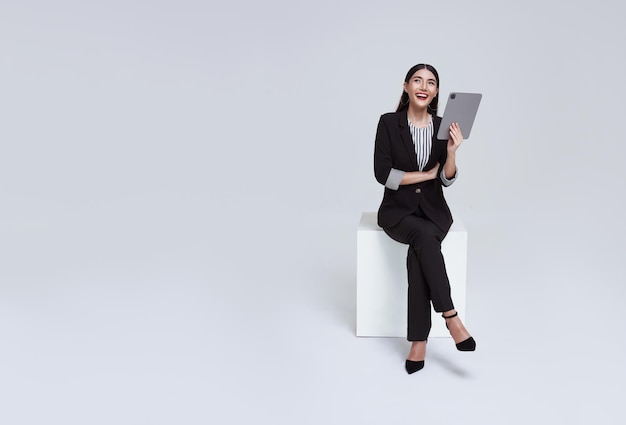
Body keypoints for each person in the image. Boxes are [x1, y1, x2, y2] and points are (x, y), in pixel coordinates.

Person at [373, 63, 476, 374]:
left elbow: (445, 180)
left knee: (423, 245)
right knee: (422, 237)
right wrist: (423, 174)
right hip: (397, 213)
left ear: (435, 92)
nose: (423, 86)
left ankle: (419, 342)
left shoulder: (444, 126)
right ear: (406, 87)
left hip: (433, 212)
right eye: (417, 80)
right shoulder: (389, 123)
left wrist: (453, 152)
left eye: (431, 82)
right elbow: (382, 174)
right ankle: (450, 316)